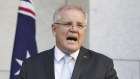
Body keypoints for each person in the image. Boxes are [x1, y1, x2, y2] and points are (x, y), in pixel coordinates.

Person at [18, 5, 118, 79]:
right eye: (67, 24)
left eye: (79, 25)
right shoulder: (30, 66)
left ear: (84, 32)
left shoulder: (103, 65)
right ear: (54, 29)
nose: (74, 29)